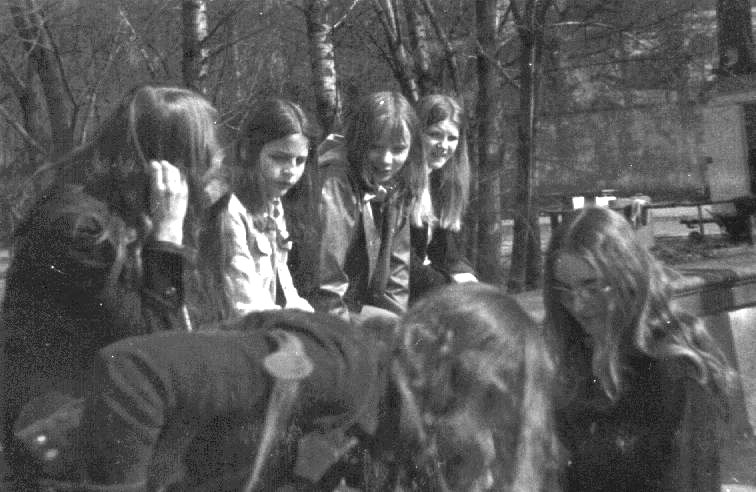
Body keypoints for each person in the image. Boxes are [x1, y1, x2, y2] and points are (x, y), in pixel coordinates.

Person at [13, 283, 557, 491]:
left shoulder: (383, 413)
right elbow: (135, 371)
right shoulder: (339, 368)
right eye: (494, 406)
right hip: (52, 469)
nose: (487, 431)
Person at [0, 84, 226, 487]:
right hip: (51, 435)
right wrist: (168, 236)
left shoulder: (131, 213)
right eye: (207, 153)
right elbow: (156, 345)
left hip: (106, 413)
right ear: (168, 165)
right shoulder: (79, 230)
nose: (218, 162)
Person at [543, 206, 735, 492]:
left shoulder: (673, 372)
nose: (578, 305)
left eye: (592, 288)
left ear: (628, 279)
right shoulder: (575, 360)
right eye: (565, 291)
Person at [307, 91, 421, 322]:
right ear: (359, 142)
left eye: (398, 149)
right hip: (324, 311)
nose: (386, 160)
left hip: (359, 307)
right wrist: (342, 338)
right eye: (375, 147)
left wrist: (402, 329)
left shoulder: (399, 181)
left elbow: (397, 277)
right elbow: (326, 285)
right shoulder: (336, 180)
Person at [200, 99, 316, 318]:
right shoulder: (228, 207)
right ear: (247, 151)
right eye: (279, 158)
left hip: (264, 322)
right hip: (238, 329)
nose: (291, 171)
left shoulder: (272, 200)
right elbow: (245, 306)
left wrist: (314, 321)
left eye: (299, 161)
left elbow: (285, 290)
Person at [409, 94, 476, 303]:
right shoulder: (402, 184)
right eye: (434, 135)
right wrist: (449, 287)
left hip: (429, 287)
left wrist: (468, 280)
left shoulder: (441, 184)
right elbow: (404, 263)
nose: (444, 145)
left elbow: (448, 253)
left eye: (452, 138)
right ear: (415, 134)